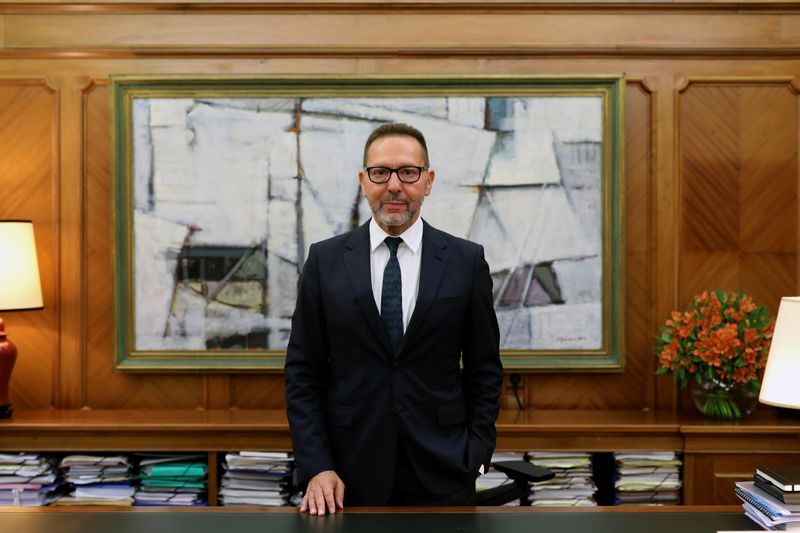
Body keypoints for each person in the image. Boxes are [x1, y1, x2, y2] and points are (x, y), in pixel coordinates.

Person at [284, 122, 502, 515]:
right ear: (363, 181)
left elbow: (484, 369)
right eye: (381, 173)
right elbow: (303, 374)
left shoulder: (466, 261)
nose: (395, 186)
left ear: (428, 180)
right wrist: (318, 466)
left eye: (408, 172)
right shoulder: (325, 261)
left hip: (444, 469)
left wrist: (477, 452)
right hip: (345, 475)